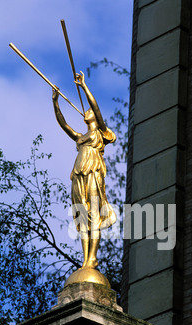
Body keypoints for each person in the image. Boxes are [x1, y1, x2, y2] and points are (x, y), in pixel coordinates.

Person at [52, 71, 116, 270]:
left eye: (89, 111)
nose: (86, 111)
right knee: (81, 215)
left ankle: (93, 258)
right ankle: (85, 260)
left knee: (94, 213)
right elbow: (63, 125)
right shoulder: (80, 137)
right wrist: (55, 101)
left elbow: (95, 107)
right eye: (86, 111)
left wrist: (83, 86)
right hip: (78, 175)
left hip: (94, 172)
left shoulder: (100, 132)